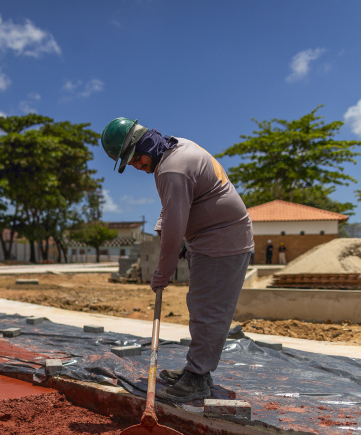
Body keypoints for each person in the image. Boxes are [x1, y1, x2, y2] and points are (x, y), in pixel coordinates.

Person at [100, 117, 253, 402]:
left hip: (221, 241)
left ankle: (196, 378)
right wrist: (172, 234)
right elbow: (172, 208)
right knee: (202, 306)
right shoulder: (176, 149)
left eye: (134, 160)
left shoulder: (172, 169)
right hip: (213, 238)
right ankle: (199, 372)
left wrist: (163, 271)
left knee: (208, 310)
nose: (136, 166)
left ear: (142, 145)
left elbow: (174, 225)